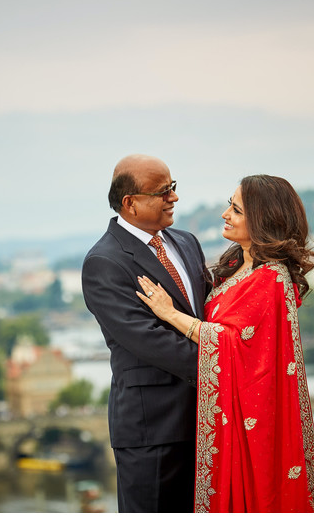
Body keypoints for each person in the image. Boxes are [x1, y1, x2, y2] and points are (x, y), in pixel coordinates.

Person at [136, 174, 314, 513]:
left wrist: (168, 314)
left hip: (251, 415)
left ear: (262, 219)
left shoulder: (271, 277)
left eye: (236, 210)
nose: (225, 214)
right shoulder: (238, 266)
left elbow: (231, 341)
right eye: (230, 205)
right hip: (224, 406)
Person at [81, 154, 211, 512]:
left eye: (173, 187)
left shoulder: (186, 242)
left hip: (208, 421)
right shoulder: (104, 262)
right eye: (163, 191)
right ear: (131, 203)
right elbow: (148, 339)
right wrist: (224, 365)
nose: (174, 197)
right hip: (153, 430)